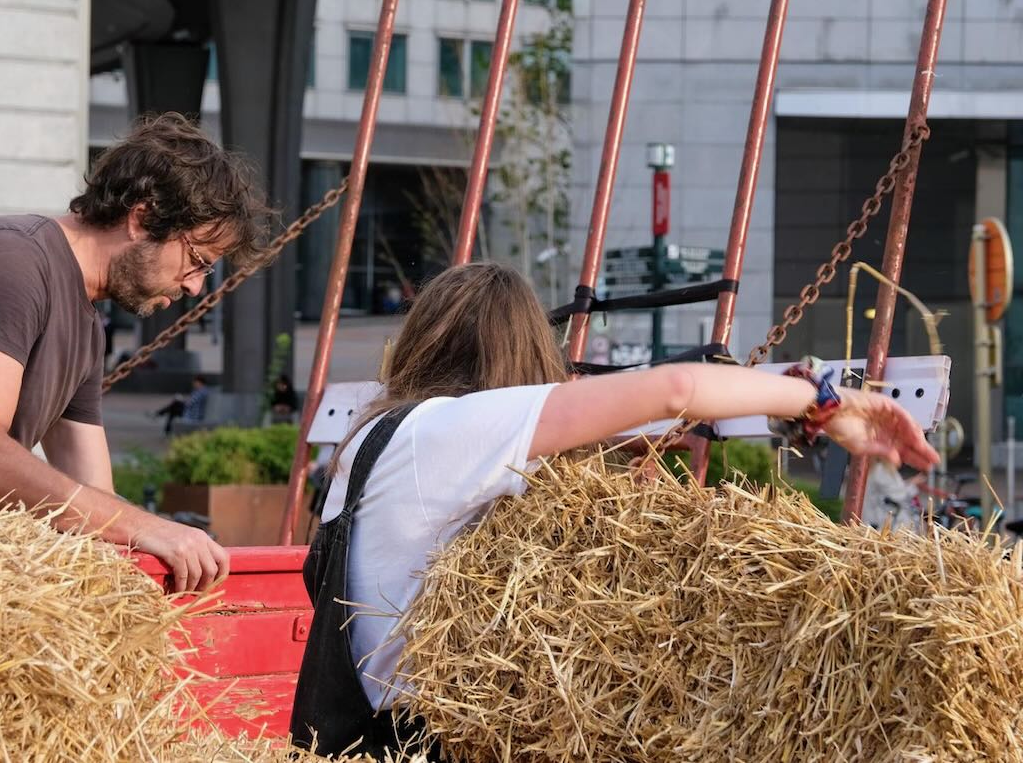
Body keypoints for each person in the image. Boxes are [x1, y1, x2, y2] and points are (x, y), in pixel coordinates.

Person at [289, 262, 940, 758]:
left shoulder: (381, 440)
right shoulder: (451, 433)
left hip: (354, 736)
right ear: (521, 358)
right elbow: (676, 388)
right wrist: (823, 403)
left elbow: (595, 419)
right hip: (416, 744)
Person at [0, 113, 272, 593]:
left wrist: (150, 534)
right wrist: (145, 527)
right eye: (197, 260)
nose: (195, 286)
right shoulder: (11, 260)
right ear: (141, 218)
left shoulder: (86, 325)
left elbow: (97, 498)